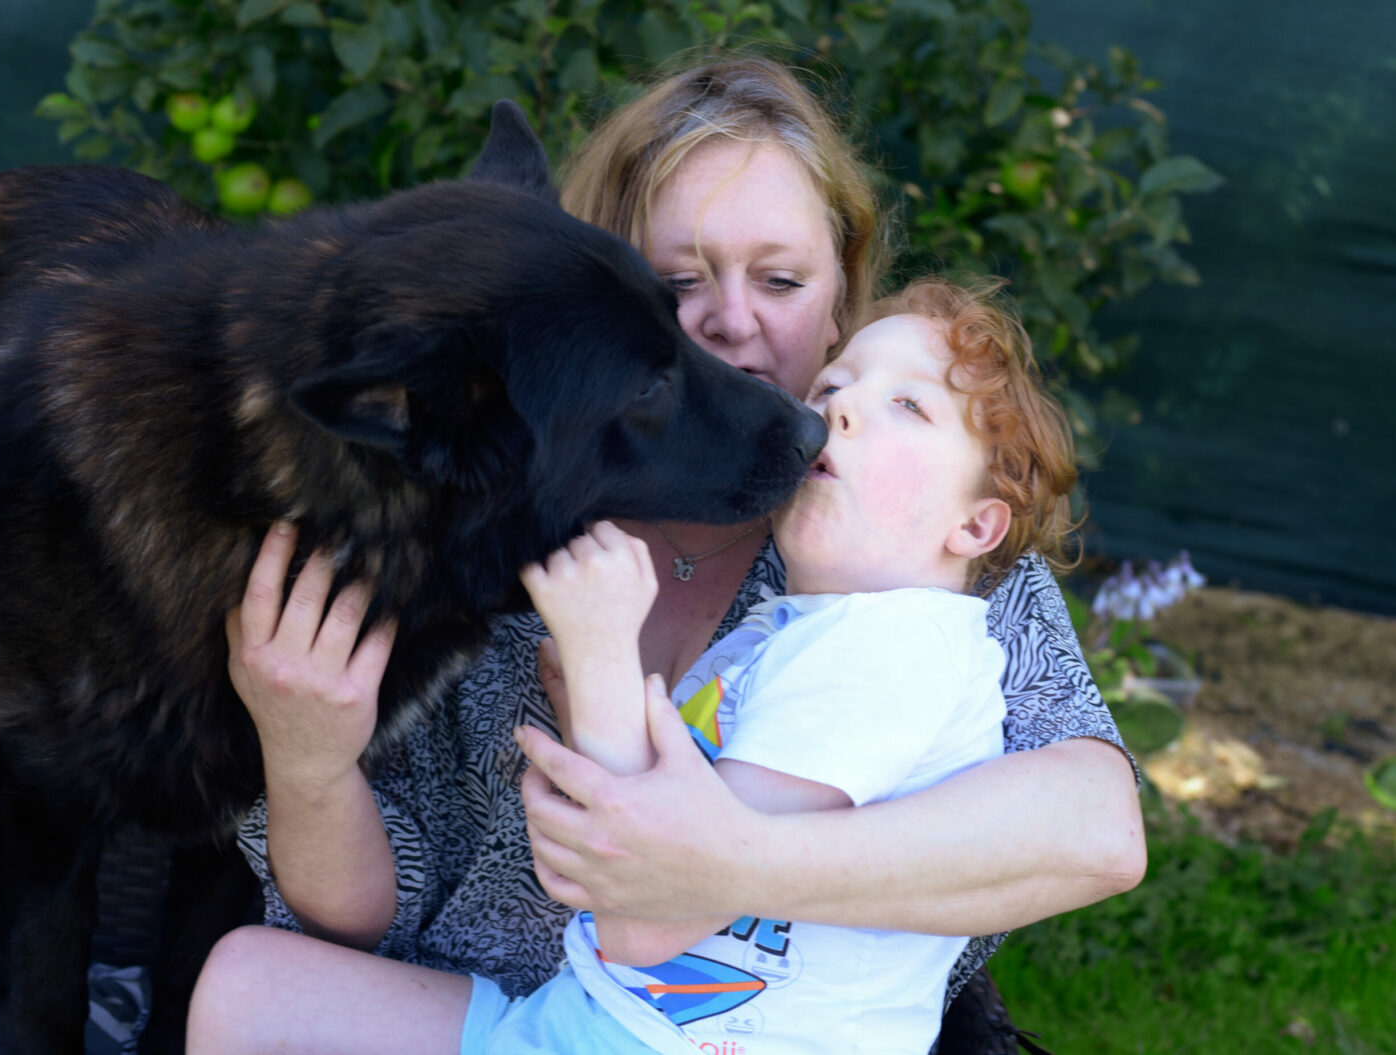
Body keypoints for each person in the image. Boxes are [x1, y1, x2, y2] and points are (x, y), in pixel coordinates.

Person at [187, 53, 1144, 1050]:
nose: (733, 320)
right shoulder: (486, 516)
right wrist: (304, 761)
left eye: (780, 278)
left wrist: (734, 862)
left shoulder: (900, 533)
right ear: (596, 291)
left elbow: (1093, 833)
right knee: (247, 981)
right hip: (502, 1013)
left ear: (842, 292)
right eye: (679, 280)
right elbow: (360, 916)